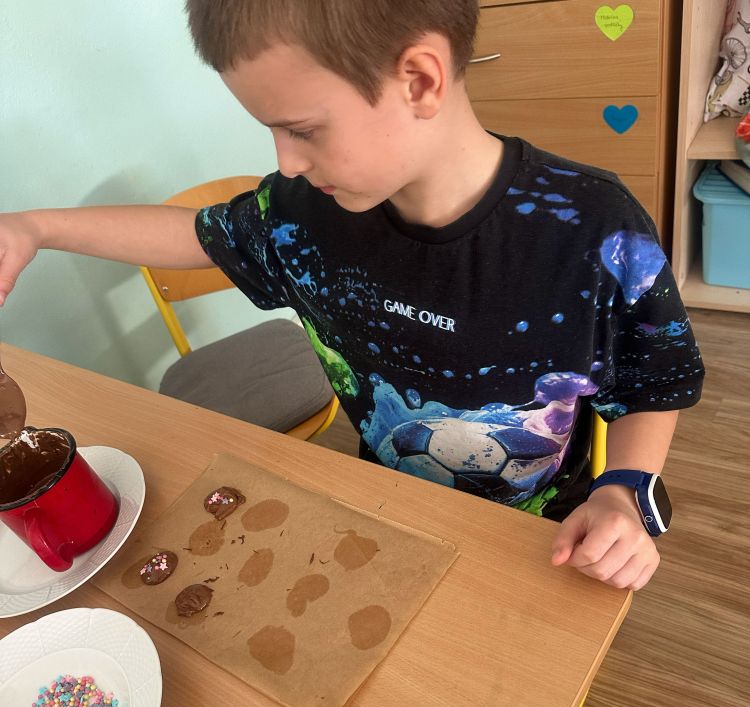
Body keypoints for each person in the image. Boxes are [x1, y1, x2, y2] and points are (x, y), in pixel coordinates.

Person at [0, 0, 704, 591]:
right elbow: (193, 235)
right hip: (387, 512)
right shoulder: (305, 218)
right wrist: (35, 228)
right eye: (272, 131)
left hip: (539, 540)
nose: (285, 162)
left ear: (419, 80)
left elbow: (652, 384)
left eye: (302, 130)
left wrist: (625, 491)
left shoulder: (593, 232)